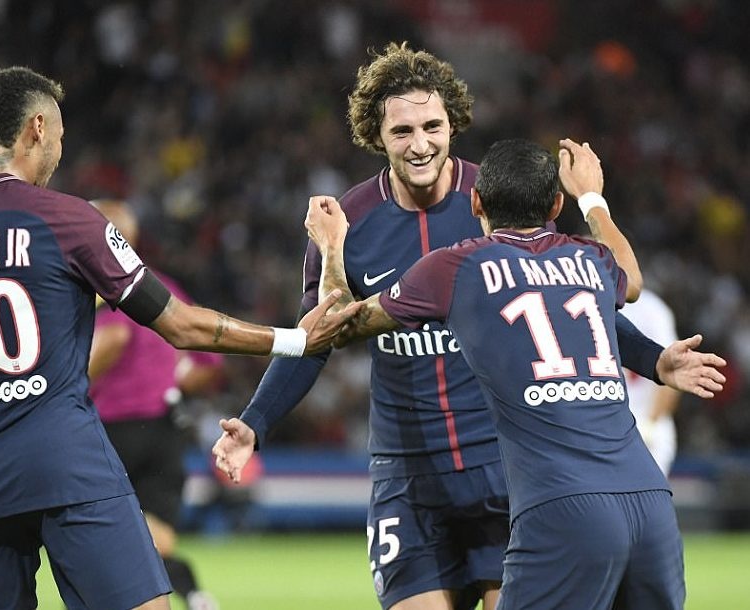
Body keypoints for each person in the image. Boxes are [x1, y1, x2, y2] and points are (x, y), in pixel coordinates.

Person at [0, 66, 359, 610]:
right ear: (37, 129)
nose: (59, 151)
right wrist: (295, 340)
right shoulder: (69, 220)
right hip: (64, 461)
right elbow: (180, 325)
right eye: (60, 135)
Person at [213, 43, 725, 610]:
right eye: (402, 131)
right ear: (375, 135)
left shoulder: (497, 199)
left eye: (432, 126)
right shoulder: (346, 222)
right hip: (409, 474)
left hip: (503, 468)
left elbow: (569, 301)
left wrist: (652, 359)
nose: (420, 144)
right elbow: (316, 340)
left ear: (453, 124)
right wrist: (256, 421)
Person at [298, 137, 726, 610]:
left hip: (562, 505)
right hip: (650, 500)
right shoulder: (589, 259)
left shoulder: (455, 267)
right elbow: (632, 280)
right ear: (555, 205)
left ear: (476, 202)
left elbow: (341, 325)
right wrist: (592, 197)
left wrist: (331, 249)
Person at [88, 198, 223, 610]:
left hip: (113, 430)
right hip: (164, 427)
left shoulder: (99, 286)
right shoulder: (161, 286)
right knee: (155, 535)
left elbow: (114, 338)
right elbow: (209, 362)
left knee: (94, 534)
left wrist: (69, 383)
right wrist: (170, 381)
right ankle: (191, 590)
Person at [621, 287, 681, 476]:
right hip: (606, 425)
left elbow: (672, 369)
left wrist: (651, 424)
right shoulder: (591, 299)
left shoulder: (651, 308)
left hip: (646, 423)